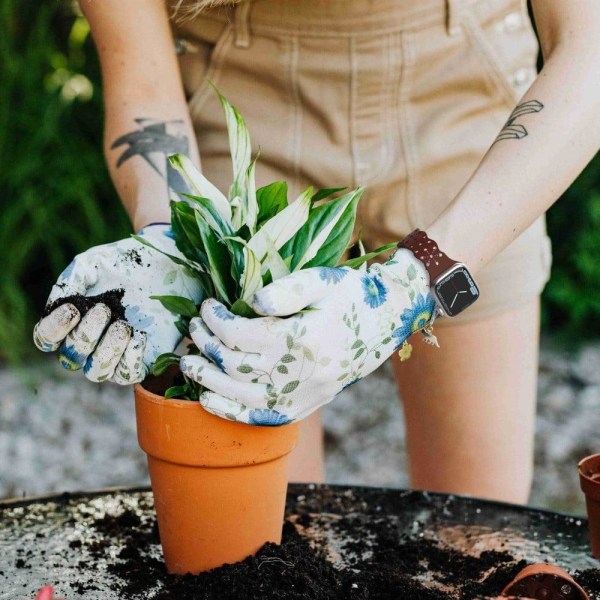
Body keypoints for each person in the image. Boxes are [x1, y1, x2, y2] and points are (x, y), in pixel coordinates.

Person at [34, 0, 600, 504]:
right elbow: (144, 83)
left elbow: (589, 48)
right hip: (244, 120)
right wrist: (171, 238)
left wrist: (414, 283)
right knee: (263, 548)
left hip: (470, 110)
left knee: (480, 533)